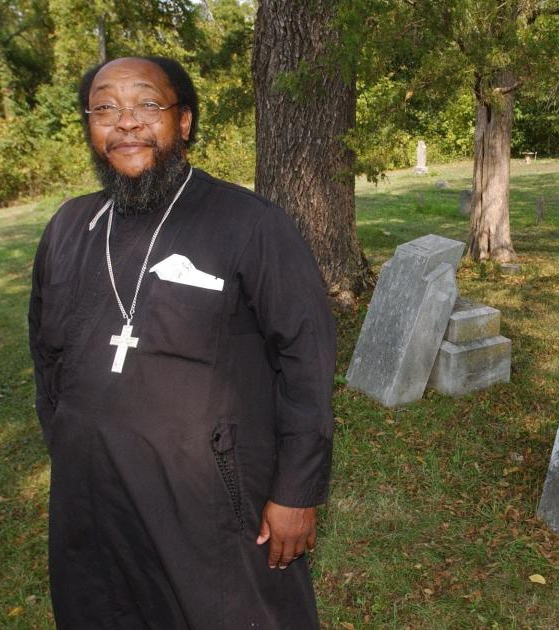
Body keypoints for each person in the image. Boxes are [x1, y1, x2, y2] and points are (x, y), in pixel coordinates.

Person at [28, 56, 336, 629]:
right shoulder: (69, 228)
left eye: (147, 104)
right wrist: (70, 439)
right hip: (91, 501)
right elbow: (46, 354)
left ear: (185, 120)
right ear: (89, 126)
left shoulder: (251, 225)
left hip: (209, 503)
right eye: (105, 109)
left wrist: (297, 489)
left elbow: (306, 360)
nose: (126, 123)